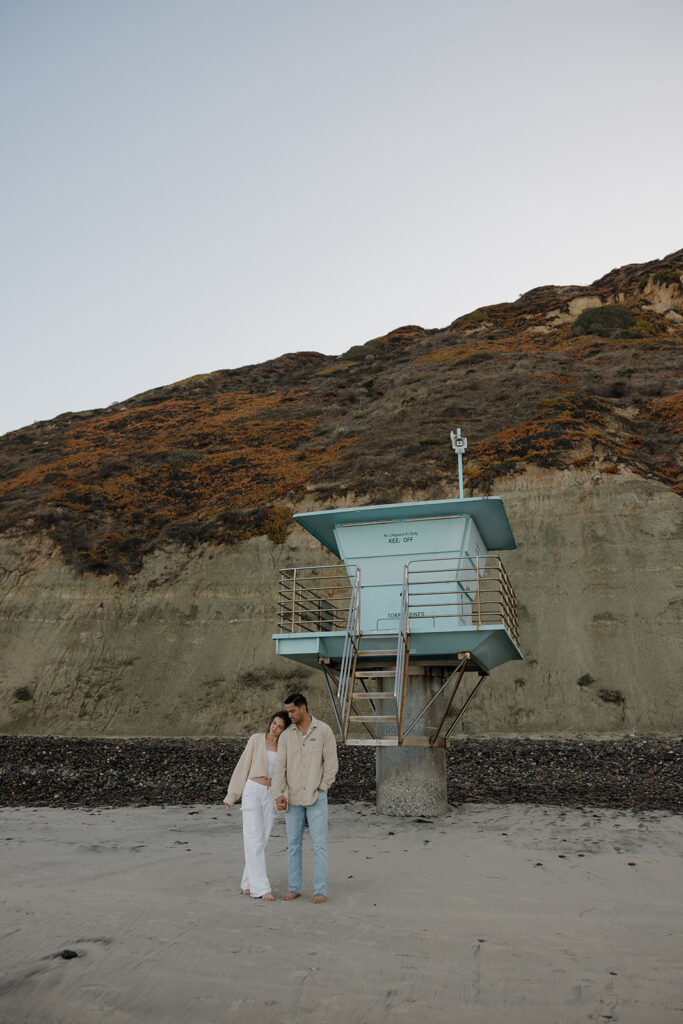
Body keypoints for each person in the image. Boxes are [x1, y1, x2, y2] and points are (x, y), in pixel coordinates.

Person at [271, 693, 338, 904]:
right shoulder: (286, 736)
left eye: (292, 711)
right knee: (293, 845)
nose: (289, 715)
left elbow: (331, 762)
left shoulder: (324, 730)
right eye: (288, 711)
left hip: (316, 797)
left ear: (304, 708)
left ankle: (320, 890)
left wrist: (323, 787)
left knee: (319, 845)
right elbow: (280, 767)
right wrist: (278, 793)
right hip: (292, 798)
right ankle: (294, 888)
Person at [223, 711, 290, 901]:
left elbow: (286, 774)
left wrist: (283, 795)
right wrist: (232, 795)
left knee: (262, 840)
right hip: (253, 790)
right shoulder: (256, 739)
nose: (274, 727)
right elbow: (242, 765)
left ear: (284, 730)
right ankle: (261, 888)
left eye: (279, 726)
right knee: (253, 839)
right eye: (274, 723)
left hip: (272, 794)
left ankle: (247, 882)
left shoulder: (284, 746)